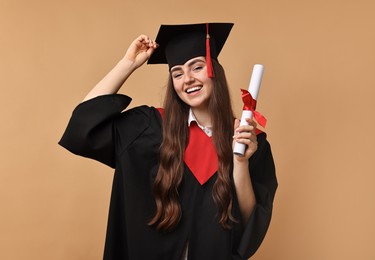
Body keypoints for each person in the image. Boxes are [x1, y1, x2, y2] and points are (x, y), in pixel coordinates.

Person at [59, 23, 277, 260]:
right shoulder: (149, 127)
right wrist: (127, 64)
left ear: (214, 70)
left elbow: (248, 223)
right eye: (177, 73)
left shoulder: (248, 141)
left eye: (197, 67)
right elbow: (82, 126)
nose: (188, 79)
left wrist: (241, 162)